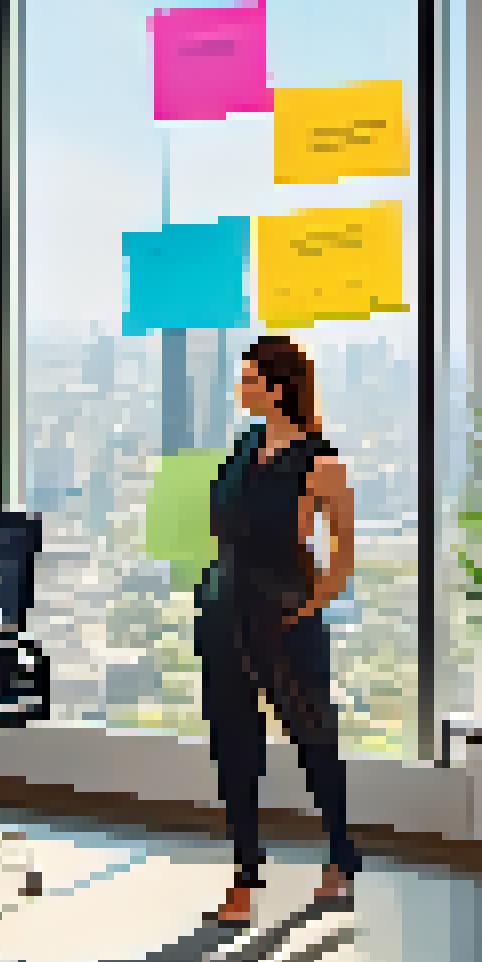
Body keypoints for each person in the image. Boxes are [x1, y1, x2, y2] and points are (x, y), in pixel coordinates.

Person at [200, 337, 360, 926]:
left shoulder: (319, 461)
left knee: (313, 737)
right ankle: (244, 875)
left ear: (276, 386)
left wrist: (309, 606)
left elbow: (341, 552)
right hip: (225, 613)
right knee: (234, 746)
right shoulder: (245, 446)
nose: (240, 389)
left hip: (285, 616)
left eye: (248, 379)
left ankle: (340, 857)